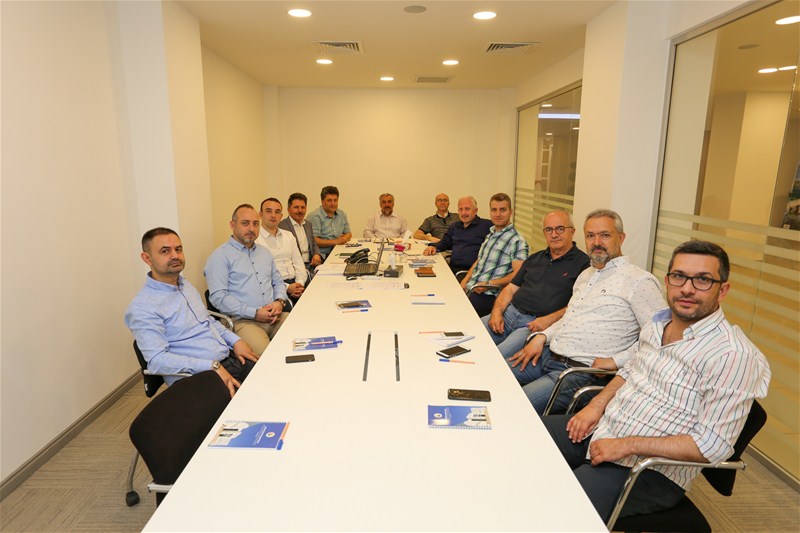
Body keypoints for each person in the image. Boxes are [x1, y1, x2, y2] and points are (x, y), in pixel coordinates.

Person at [543, 240, 770, 522]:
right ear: (667, 281)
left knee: (556, 509)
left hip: (648, 470)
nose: (687, 288)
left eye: (702, 280)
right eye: (679, 276)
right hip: (604, 429)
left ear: (722, 290)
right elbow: (630, 371)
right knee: (520, 438)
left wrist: (626, 445)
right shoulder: (657, 324)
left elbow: (711, 446)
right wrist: (596, 406)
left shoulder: (733, 356)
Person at [507, 209, 665, 414]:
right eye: (590, 235)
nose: (596, 242)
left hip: (579, 373)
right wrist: (543, 336)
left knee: (511, 405)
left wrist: (617, 361)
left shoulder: (639, 281)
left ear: (621, 238)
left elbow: (661, 337)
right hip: (548, 355)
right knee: (491, 378)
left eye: (605, 235)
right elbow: (570, 317)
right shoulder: (586, 275)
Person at [124, 227, 258, 397]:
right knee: (260, 402)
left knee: (276, 376)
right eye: (165, 251)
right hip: (197, 377)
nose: (175, 255)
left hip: (227, 359)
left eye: (178, 249)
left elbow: (208, 321)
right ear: (147, 258)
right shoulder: (142, 307)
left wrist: (236, 341)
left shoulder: (185, 286)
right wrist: (211, 366)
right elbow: (157, 361)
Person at [482, 210, 590, 356]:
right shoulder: (534, 258)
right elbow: (510, 289)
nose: (554, 234)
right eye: (549, 229)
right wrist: (496, 312)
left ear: (572, 231)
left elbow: (579, 305)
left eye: (560, 229)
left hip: (533, 325)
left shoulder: (584, 265)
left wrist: (548, 320)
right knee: (469, 336)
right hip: (507, 315)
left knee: (496, 356)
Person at [205, 204, 289, 355]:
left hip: (275, 317)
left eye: (255, 224)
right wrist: (254, 313)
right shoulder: (219, 257)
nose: (251, 228)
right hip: (243, 322)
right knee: (268, 357)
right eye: (245, 223)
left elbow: (278, 282)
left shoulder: (265, 253)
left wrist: (279, 301)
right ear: (232, 225)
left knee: (303, 337)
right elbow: (219, 298)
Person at [459, 193, 529, 317]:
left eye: (502, 210)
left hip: (489, 295)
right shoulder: (491, 234)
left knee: (454, 313)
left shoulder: (517, 241)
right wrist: (464, 282)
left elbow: (519, 274)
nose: (497, 214)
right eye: (494, 210)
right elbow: (479, 260)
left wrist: (489, 284)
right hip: (473, 287)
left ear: (511, 212)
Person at [422, 196, 492, 274]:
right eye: (460, 209)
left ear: (475, 211)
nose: (463, 213)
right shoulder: (454, 226)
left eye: (467, 209)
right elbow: (445, 243)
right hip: (452, 270)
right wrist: (433, 247)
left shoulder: (487, 226)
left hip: (472, 273)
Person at [256, 197, 307, 302]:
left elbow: (298, 263)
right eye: (268, 211)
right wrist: (287, 288)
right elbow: (261, 275)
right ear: (260, 214)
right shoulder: (255, 240)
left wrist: (300, 283)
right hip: (274, 288)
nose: (273, 215)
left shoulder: (288, 236)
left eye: (277, 212)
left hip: (296, 283)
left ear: (281, 216)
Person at [279, 192, 323, 270]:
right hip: (294, 268)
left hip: (311, 265)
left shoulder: (308, 224)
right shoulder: (282, 226)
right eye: (296, 207)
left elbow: (314, 243)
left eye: (303, 207)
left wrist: (317, 254)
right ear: (288, 209)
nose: (300, 210)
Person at [307, 185, 352, 259]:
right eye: (329, 200)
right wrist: (335, 241)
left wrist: (344, 239)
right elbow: (314, 240)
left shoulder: (342, 214)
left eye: (335, 200)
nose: (333, 203)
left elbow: (348, 233)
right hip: (322, 256)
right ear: (322, 201)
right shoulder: (314, 216)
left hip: (339, 252)